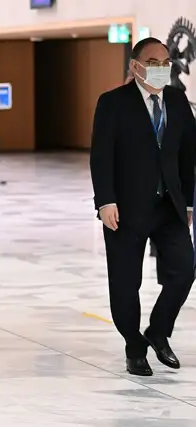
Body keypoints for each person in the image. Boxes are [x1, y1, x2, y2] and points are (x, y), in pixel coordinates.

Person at [90, 37, 196, 377]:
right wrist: (105, 201)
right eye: (153, 63)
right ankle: (134, 348)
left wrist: (189, 203)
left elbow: (188, 156)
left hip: (169, 207)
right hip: (125, 210)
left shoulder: (177, 101)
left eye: (166, 63)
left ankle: (158, 331)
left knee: (184, 269)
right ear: (135, 66)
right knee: (126, 284)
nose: (161, 69)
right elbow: (101, 156)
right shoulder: (113, 103)